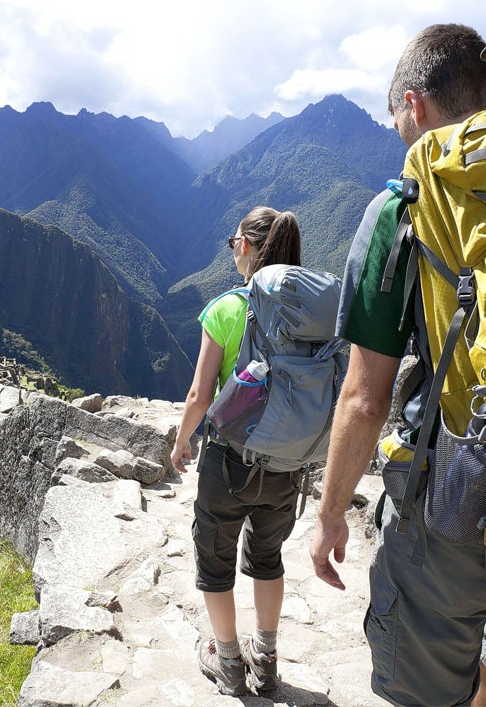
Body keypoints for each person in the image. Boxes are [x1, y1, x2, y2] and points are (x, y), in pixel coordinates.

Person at [309, 23, 486, 707]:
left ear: (414, 106)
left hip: (452, 502)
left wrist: (328, 517)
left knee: (425, 690)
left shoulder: (400, 209)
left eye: (396, 122)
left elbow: (363, 397)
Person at [171, 206, 304, 697]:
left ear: (245, 247)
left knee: (215, 559)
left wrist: (182, 441)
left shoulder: (226, 308)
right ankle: (266, 660)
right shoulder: (307, 310)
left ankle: (227, 660)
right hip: (289, 462)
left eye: (233, 243)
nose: (232, 250)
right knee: (268, 558)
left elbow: (199, 396)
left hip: (228, 462)